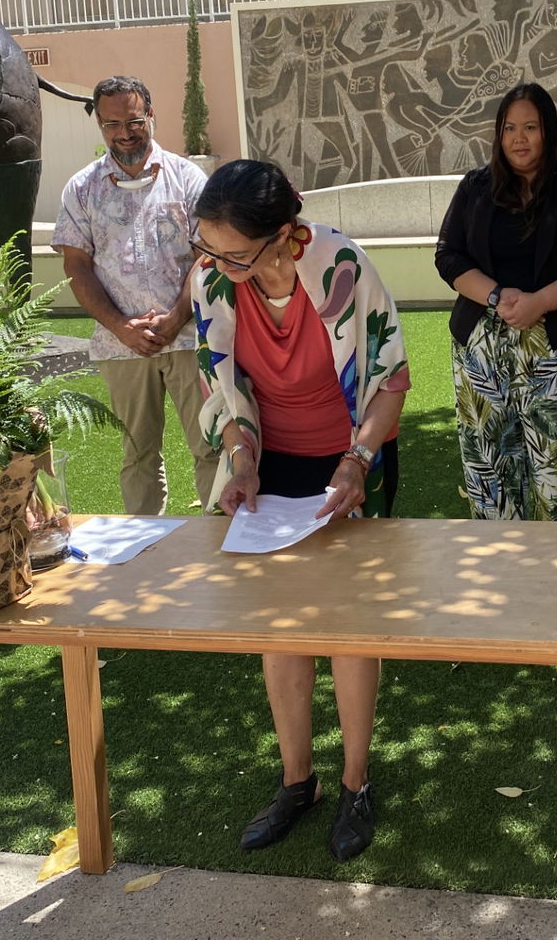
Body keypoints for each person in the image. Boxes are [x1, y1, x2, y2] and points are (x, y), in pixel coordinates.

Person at [191, 158, 409, 862]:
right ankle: (297, 781)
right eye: (206, 247)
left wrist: (358, 461)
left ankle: (355, 782)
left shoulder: (344, 265)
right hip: (270, 462)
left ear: (284, 234)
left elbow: (389, 381)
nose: (216, 265)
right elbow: (222, 385)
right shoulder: (212, 280)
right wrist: (241, 459)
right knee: (279, 628)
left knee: (349, 626)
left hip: (348, 458)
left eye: (234, 254)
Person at [435, 83, 557, 521]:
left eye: (531, 127)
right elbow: (448, 255)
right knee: (491, 480)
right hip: (482, 351)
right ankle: (501, 565)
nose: (519, 138)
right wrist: (496, 295)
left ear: (548, 130)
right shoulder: (476, 186)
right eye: (509, 128)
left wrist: (540, 302)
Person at [53, 75, 217, 516]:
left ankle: (222, 541)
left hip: (189, 338)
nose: (123, 133)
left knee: (211, 447)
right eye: (111, 124)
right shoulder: (82, 188)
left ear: (151, 116)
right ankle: (146, 545)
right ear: (99, 125)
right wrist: (121, 327)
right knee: (138, 455)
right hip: (120, 345)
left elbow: (208, 255)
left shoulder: (186, 178)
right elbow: (76, 266)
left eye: (133, 121)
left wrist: (176, 318)